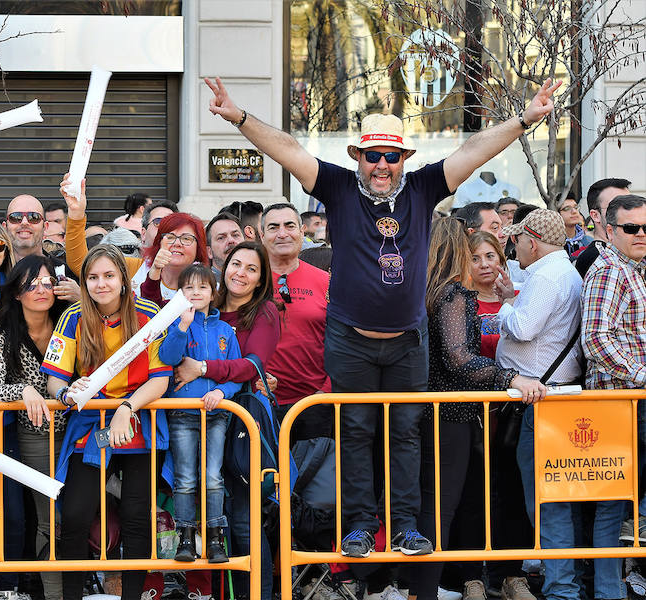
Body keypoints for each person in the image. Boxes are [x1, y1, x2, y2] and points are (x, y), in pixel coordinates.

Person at [204, 74, 560, 558]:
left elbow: (475, 148)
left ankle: (406, 526)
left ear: (402, 161)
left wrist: (524, 120)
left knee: (406, 433)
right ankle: (357, 528)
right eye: (373, 155)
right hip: (350, 339)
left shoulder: (422, 187)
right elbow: (286, 147)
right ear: (359, 157)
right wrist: (239, 117)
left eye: (391, 156)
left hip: (407, 341)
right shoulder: (336, 186)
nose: (382, 165)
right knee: (355, 432)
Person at [406, 218, 544, 600]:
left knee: (438, 505)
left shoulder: (429, 291)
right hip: (449, 414)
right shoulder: (453, 295)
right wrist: (511, 379)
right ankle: (425, 592)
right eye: (472, 254)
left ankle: (425, 589)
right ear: (457, 253)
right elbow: (458, 357)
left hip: (438, 413)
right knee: (440, 508)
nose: (480, 262)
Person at [41, 244, 172, 600]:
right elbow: (54, 376)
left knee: (136, 515)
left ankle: (132, 595)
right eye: (93, 277)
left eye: (109, 276)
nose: (101, 284)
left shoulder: (150, 313)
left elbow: (161, 379)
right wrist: (67, 392)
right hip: (92, 427)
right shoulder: (72, 316)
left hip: (138, 423)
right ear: (84, 283)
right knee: (75, 514)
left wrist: (127, 408)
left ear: (124, 280)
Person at [170, 240, 281, 599]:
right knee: (201, 493)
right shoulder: (202, 308)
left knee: (244, 518)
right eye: (236, 264)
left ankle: (259, 595)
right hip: (196, 415)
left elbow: (252, 365)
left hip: (238, 420)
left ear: (262, 277)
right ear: (222, 267)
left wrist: (202, 368)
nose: (242, 273)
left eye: (252, 268)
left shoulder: (263, 312)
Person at [491, 209, 588, 600]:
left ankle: (561, 588)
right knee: (553, 500)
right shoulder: (559, 271)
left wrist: (503, 308)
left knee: (547, 502)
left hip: (540, 401)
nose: (514, 247)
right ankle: (564, 583)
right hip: (547, 398)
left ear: (530, 241)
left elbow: (523, 328)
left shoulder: (548, 276)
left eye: (517, 241)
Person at [0, 254, 69, 600]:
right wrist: (23, 389)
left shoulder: (70, 322)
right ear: (16, 292)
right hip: (34, 439)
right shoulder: (5, 330)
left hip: (82, 434)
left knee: (81, 516)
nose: (41, 290)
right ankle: (55, 594)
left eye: (48, 282)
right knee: (50, 521)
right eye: (31, 284)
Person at [158, 263, 240, 564]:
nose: (196, 292)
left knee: (213, 477)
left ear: (213, 292)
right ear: (180, 292)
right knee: (185, 480)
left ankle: (216, 538)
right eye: (189, 287)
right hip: (181, 414)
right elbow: (168, 357)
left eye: (202, 287)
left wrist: (221, 392)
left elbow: (237, 373)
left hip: (216, 414)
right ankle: (185, 538)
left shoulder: (224, 331)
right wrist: (181, 327)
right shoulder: (176, 324)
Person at [582, 194, 646, 561]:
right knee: (611, 505)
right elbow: (595, 339)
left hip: (631, 401)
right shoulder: (610, 270)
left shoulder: (630, 269)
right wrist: (641, 375)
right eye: (631, 228)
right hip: (620, 403)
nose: (640, 234)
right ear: (609, 230)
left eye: (645, 227)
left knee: (615, 504)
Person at [259, 204, 330, 440]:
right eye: (273, 227)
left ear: (302, 231)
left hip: (315, 404)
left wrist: (326, 392)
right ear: (262, 235)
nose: (282, 233)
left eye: (289, 226)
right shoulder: (246, 280)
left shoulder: (326, 281)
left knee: (314, 476)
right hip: (259, 404)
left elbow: (344, 341)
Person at [138, 212, 209, 303]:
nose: (177, 244)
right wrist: (155, 270)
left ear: (199, 247)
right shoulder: (134, 268)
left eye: (186, 238)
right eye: (170, 237)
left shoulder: (209, 285)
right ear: (158, 242)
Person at [575, 178, 631, 276]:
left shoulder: (632, 248)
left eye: (630, 205)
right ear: (595, 215)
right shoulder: (594, 258)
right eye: (616, 206)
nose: (627, 212)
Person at [468, 231, 509, 358]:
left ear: (501, 260)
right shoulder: (461, 304)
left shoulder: (519, 297)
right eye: (475, 259)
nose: (484, 265)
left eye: (490, 256)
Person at [4, 195, 47, 259]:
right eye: (15, 217)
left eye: (34, 217)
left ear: (45, 227)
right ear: (5, 227)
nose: (24, 222)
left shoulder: (60, 268)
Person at [205, 212, 245, 279]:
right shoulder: (200, 286)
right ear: (209, 252)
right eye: (221, 238)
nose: (231, 241)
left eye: (235, 235)